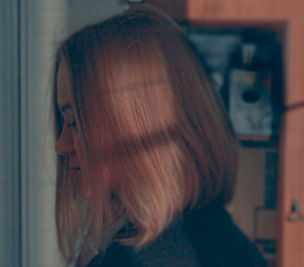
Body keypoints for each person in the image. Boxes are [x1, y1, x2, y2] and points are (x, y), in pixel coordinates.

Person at [53, 4, 266, 267]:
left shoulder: (132, 260)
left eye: (75, 122)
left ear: (132, 123)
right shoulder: (233, 246)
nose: (60, 145)